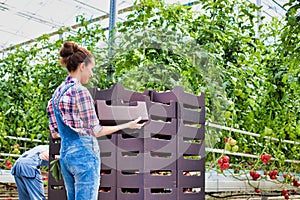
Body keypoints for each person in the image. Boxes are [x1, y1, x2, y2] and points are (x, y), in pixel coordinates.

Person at [46, 41, 144, 200]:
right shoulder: (80, 92)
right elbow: (96, 131)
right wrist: (128, 125)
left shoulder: (56, 94)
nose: (91, 74)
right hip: (84, 156)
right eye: (91, 69)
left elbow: (56, 133)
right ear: (82, 66)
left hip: (66, 157)